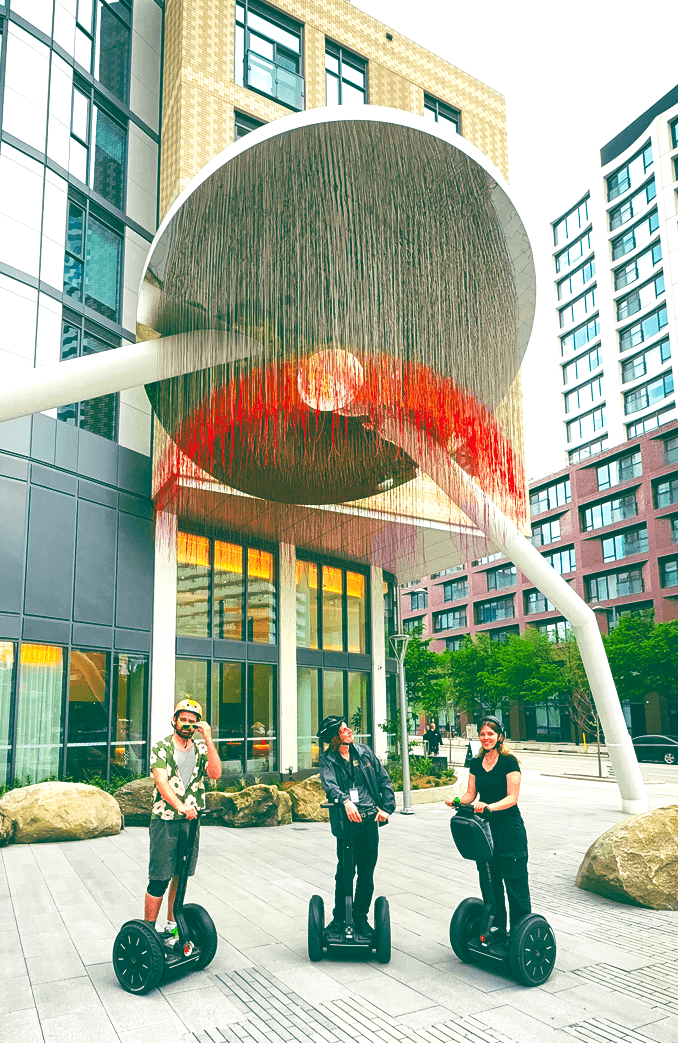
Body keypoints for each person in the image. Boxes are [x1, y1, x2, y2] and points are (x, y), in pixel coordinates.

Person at [144, 699, 222, 943]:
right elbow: (161, 781)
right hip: (166, 820)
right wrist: (180, 806)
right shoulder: (162, 747)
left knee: (181, 874)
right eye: (184, 720)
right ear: (175, 720)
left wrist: (208, 739)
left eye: (192, 721)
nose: (187, 724)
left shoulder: (200, 749)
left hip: (191, 821)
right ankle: (147, 931)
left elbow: (216, 773)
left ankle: (171, 926)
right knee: (160, 877)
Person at [446, 715, 530, 936]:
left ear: (500, 736)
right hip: (485, 831)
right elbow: (470, 794)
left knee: (515, 884)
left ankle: (520, 934)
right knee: (490, 882)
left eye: (490, 734)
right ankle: (496, 928)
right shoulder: (476, 762)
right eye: (482, 734)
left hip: (509, 829)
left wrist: (489, 806)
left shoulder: (509, 762)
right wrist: (456, 801)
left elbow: (513, 798)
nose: (485, 738)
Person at [318, 715, 396, 941]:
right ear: (335, 737)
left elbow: (384, 779)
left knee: (366, 873)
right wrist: (345, 801)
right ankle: (339, 918)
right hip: (346, 824)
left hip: (370, 820)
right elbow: (330, 785)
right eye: (343, 730)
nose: (349, 731)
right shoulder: (328, 760)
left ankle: (361, 917)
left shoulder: (364, 752)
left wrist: (387, 807)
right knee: (344, 872)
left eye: (347, 728)